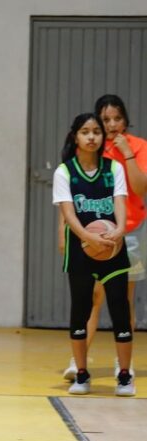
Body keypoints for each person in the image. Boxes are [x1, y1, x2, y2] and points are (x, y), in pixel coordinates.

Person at [61, 94, 147, 381]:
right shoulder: (93, 148)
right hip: (91, 234)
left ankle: (124, 364)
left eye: (117, 118)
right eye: (105, 119)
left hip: (129, 231)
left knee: (123, 298)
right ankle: (78, 360)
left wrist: (128, 153)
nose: (111, 125)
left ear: (125, 119)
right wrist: (65, 232)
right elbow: (70, 194)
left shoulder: (137, 147)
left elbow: (139, 187)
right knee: (91, 297)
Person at [52, 113, 133, 396]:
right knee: (81, 309)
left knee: (120, 309)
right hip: (81, 250)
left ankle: (124, 375)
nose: (91, 137)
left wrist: (120, 230)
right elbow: (68, 213)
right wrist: (87, 237)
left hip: (113, 248)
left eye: (96, 132)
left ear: (102, 137)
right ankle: (82, 374)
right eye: (85, 132)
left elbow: (120, 202)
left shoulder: (114, 169)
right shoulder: (64, 172)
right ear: (76, 136)